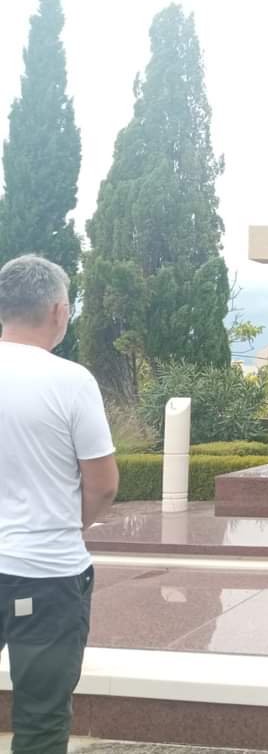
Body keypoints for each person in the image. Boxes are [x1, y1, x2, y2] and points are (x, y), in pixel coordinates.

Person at [0, 255, 119, 752]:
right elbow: (103, 484)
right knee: (41, 718)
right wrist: (69, 523)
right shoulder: (71, 381)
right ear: (58, 310)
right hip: (46, 573)